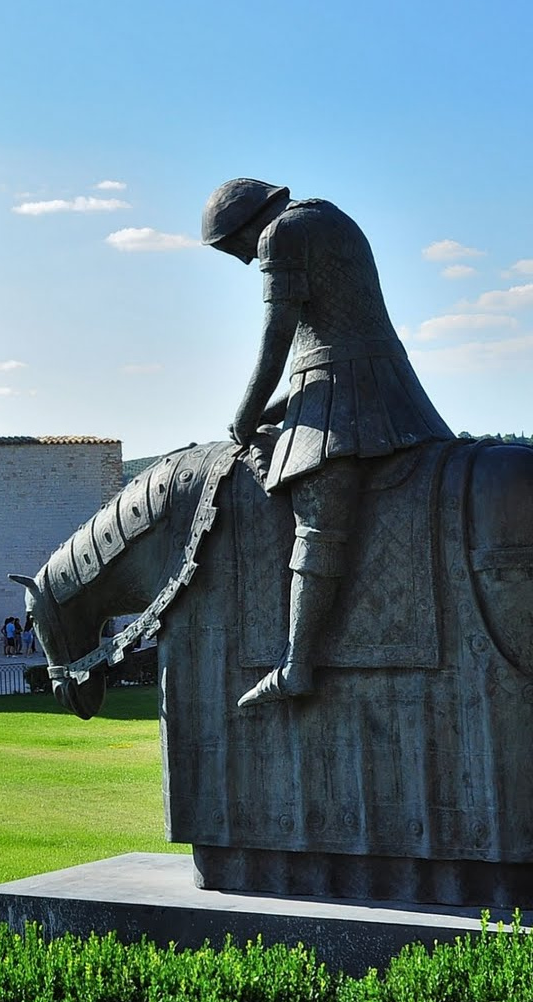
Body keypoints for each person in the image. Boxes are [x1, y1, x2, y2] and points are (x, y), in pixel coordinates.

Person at [201, 178, 453, 707]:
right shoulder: (328, 216)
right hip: (377, 382)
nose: (245, 259)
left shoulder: (280, 234)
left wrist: (245, 414)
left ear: (245, 225)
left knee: (318, 526)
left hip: (347, 397)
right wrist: (269, 413)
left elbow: (278, 338)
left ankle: (296, 665)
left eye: (234, 247)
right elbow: (324, 352)